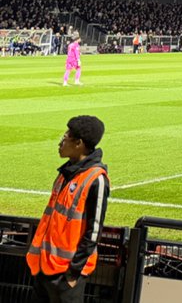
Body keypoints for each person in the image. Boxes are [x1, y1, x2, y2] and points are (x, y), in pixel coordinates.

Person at [26, 115, 110, 303]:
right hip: (44, 267)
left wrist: (73, 273)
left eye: (65, 138)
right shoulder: (65, 173)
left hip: (67, 275)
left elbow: (94, 231)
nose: (60, 143)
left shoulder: (96, 179)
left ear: (79, 143)